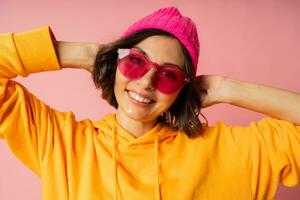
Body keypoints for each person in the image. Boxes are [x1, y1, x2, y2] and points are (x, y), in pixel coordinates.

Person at [0, 6, 299, 200]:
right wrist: (85, 54)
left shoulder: (229, 151)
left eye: (169, 75)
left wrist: (226, 88)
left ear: (183, 88)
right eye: (135, 62)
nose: (146, 82)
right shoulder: (62, 144)